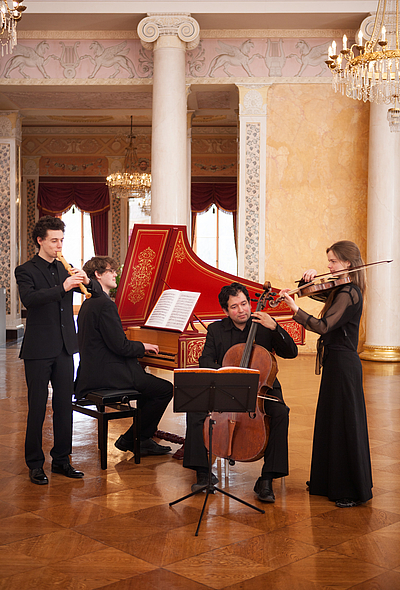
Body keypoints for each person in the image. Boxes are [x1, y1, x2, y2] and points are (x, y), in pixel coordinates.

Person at [183, 282, 298, 502]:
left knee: (280, 413)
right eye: (234, 307)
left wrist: (275, 327)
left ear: (250, 303)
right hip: (226, 388)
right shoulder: (216, 330)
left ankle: (267, 479)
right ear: (225, 311)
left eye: (244, 304)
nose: (241, 310)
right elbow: (206, 360)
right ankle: (203, 473)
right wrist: (227, 374)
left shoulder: (264, 325)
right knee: (195, 411)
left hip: (261, 389)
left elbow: (291, 352)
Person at [279, 240, 373, 508]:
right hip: (336, 363)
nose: (329, 266)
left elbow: (322, 326)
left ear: (347, 263)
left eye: (333, 261)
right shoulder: (341, 289)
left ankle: (348, 489)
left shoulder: (350, 293)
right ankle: (325, 481)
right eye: (328, 261)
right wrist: (304, 282)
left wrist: (295, 310)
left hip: (344, 366)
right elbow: (318, 294)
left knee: (344, 424)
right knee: (331, 420)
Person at [15, 215, 98, 485]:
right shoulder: (25, 270)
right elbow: (30, 299)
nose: (59, 245)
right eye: (54, 241)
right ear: (40, 241)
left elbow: (96, 292)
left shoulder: (66, 267)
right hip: (38, 350)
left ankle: (62, 460)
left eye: (61, 240)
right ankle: (35, 464)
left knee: (64, 407)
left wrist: (88, 282)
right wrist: (62, 287)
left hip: (65, 349)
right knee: (37, 408)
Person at [75, 256, 173, 457]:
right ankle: (133, 439)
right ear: (98, 275)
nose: (115, 274)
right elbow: (120, 346)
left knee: (149, 387)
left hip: (92, 372)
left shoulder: (89, 303)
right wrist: (142, 346)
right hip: (108, 374)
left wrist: (137, 347)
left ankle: (141, 438)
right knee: (164, 389)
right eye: (111, 271)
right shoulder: (105, 304)